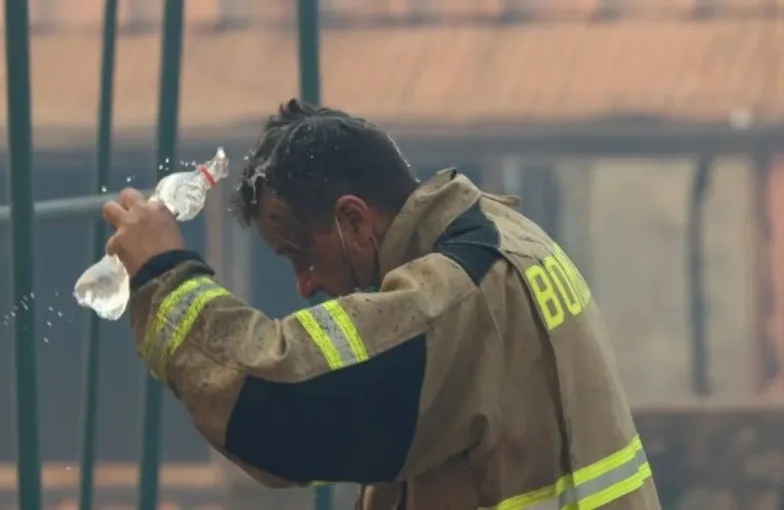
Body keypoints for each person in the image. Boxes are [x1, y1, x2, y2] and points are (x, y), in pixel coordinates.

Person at [103, 99, 661, 510]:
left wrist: (166, 278)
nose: (304, 284)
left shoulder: (459, 294)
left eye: (301, 256)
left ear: (353, 218)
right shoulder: (506, 234)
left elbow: (282, 403)